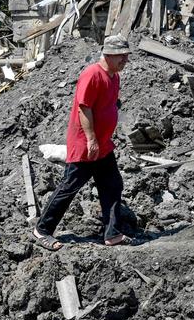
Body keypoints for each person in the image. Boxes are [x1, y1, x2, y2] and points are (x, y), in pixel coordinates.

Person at [32, 35, 130, 250]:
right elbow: (83, 108)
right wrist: (91, 140)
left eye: (126, 56)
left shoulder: (114, 76)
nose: (125, 60)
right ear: (108, 55)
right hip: (87, 144)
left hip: (103, 145)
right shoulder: (92, 74)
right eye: (121, 56)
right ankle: (42, 230)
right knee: (70, 187)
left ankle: (112, 233)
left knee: (113, 185)